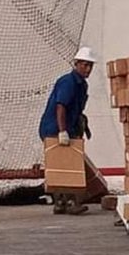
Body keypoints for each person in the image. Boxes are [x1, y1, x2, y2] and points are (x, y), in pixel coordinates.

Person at [39, 46, 97, 215]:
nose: (88, 69)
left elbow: (76, 110)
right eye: (85, 65)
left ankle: (61, 203)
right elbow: (61, 107)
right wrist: (62, 131)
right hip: (54, 128)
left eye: (90, 66)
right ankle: (70, 202)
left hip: (65, 126)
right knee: (67, 163)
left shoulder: (81, 85)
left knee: (63, 163)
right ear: (76, 64)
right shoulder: (68, 82)